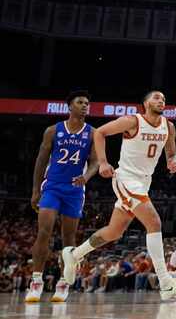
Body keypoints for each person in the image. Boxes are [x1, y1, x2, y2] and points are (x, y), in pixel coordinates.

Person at [60, 90, 176, 300]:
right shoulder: (132, 121)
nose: (161, 100)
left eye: (163, 98)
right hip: (126, 178)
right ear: (145, 103)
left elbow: (170, 150)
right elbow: (99, 133)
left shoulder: (169, 126)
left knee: (114, 232)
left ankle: (74, 254)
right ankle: (166, 283)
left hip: (145, 181)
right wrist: (104, 162)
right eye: (156, 97)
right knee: (154, 223)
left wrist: (172, 160)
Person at [26, 90, 99, 304]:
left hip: (75, 190)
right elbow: (40, 160)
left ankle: (63, 284)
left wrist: (86, 176)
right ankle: (36, 282)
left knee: (69, 239)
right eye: (80, 102)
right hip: (53, 187)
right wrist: (35, 190)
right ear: (70, 106)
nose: (85, 105)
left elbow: (95, 161)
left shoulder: (92, 133)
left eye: (87, 103)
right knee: (44, 231)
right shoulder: (53, 130)